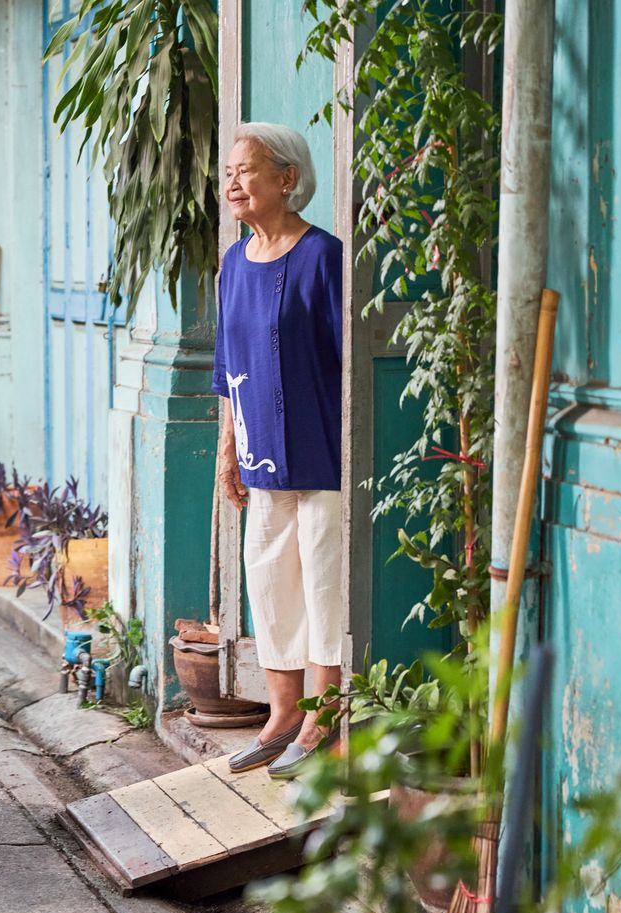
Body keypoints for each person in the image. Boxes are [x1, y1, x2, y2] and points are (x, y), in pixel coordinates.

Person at [214, 124, 345, 781]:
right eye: (229, 173)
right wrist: (227, 448)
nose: (232, 183)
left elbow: (347, 359)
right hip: (260, 452)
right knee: (270, 583)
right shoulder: (233, 265)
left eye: (247, 170)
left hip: (322, 453)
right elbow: (228, 363)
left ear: (287, 179)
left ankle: (324, 716)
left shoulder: (324, 257)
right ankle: (283, 714)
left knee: (323, 584)